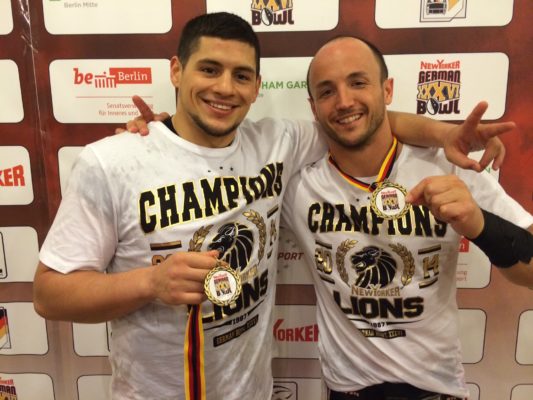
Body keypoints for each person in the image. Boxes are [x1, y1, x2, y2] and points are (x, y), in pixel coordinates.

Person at [33, 12, 515, 400]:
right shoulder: (110, 162)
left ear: (257, 85)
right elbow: (48, 295)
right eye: (208, 69)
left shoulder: (276, 143)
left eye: (241, 75)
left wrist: (444, 134)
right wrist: (149, 282)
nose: (225, 88)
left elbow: (360, 120)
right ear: (176, 71)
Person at [280, 36, 533, 400]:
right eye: (327, 91)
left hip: (434, 390)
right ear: (313, 107)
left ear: (387, 89)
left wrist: (479, 225)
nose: (345, 101)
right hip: (346, 391)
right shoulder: (298, 186)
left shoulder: (450, 166)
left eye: (358, 82)